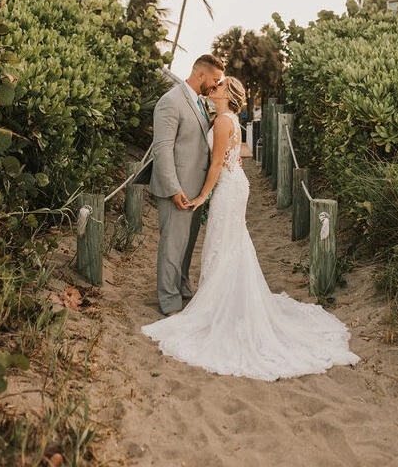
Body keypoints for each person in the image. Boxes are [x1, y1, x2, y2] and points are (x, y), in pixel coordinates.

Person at [142, 76, 360, 381]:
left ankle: (220, 305)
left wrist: (203, 195)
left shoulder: (222, 122)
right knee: (231, 243)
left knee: (223, 244)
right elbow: (235, 158)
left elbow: (217, 164)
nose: (212, 88)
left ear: (226, 93)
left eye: (218, 86)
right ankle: (224, 299)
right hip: (235, 185)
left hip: (228, 189)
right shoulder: (228, 119)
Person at [149, 54, 224, 316]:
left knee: (188, 243)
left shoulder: (201, 102)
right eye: (215, 79)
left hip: (195, 188)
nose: (216, 85)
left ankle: (181, 286)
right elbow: (162, 148)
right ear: (200, 74)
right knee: (172, 245)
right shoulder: (170, 101)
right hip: (177, 188)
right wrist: (173, 188)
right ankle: (169, 301)